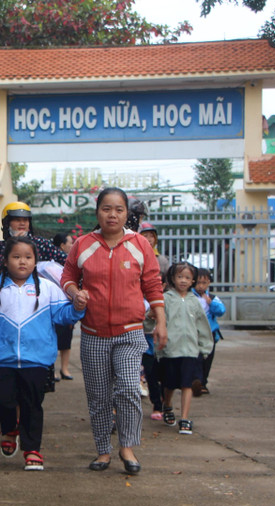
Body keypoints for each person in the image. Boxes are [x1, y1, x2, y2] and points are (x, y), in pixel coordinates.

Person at [60, 187, 166, 474]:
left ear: (126, 214)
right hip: (93, 333)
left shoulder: (140, 245)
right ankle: (103, 451)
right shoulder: (83, 245)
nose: (113, 214)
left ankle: (127, 447)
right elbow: (68, 276)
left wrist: (161, 321)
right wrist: (74, 293)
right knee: (98, 395)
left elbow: (153, 285)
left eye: (119, 209)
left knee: (130, 388)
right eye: (107, 208)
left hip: (130, 332)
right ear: (97, 212)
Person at [0, 237, 86, 471]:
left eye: (28, 257)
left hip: (37, 360)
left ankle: (32, 449)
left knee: (32, 404)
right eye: (16, 257)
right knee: (0, 398)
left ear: (36, 261)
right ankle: (9, 428)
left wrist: (77, 306)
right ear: (5, 261)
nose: (22, 262)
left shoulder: (47, 289)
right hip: (1, 359)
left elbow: (63, 315)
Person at [158, 262, 213, 435]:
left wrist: (204, 347)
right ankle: (167, 405)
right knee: (170, 384)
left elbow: (203, 326)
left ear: (193, 281)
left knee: (187, 384)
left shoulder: (194, 302)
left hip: (190, 350)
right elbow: (154, 320)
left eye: (188, 278)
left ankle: (184, 418)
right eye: (180, 277)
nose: (183, 281)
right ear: (172, 278)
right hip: (170, 349)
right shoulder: (166, 299)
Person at [0, 202, 67, 278]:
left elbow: (66, 261)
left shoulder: (40, 243)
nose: (22, 223)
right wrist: (10, 245)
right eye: (17, 220)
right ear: (7, 223)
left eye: (25, 220)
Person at [193, 267, 226, 395]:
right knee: (196, 357)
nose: (201, 286)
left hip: (210, 333)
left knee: (208, 358)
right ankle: (196, 381)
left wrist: (211, 303)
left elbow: (221, 311)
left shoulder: (212, 298)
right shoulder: (190, 297)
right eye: (198, 283)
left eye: (204, 283)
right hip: (194, 332)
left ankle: (203, 383)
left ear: (208, 283)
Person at [51, 232, 75, 381]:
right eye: (70, 243)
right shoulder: (49, 265)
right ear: (62, 246)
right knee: (53, 338)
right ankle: (52, 370)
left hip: (67, 306)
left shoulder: (70, 263)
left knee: (66, 339)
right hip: (53, 307)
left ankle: (64, 369)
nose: (72, 246)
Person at [138, 222, 170, 287]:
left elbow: (168, 281)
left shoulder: (161, 260)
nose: (149, 240)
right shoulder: (133, 256)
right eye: (145, 236)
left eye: (152, 236)